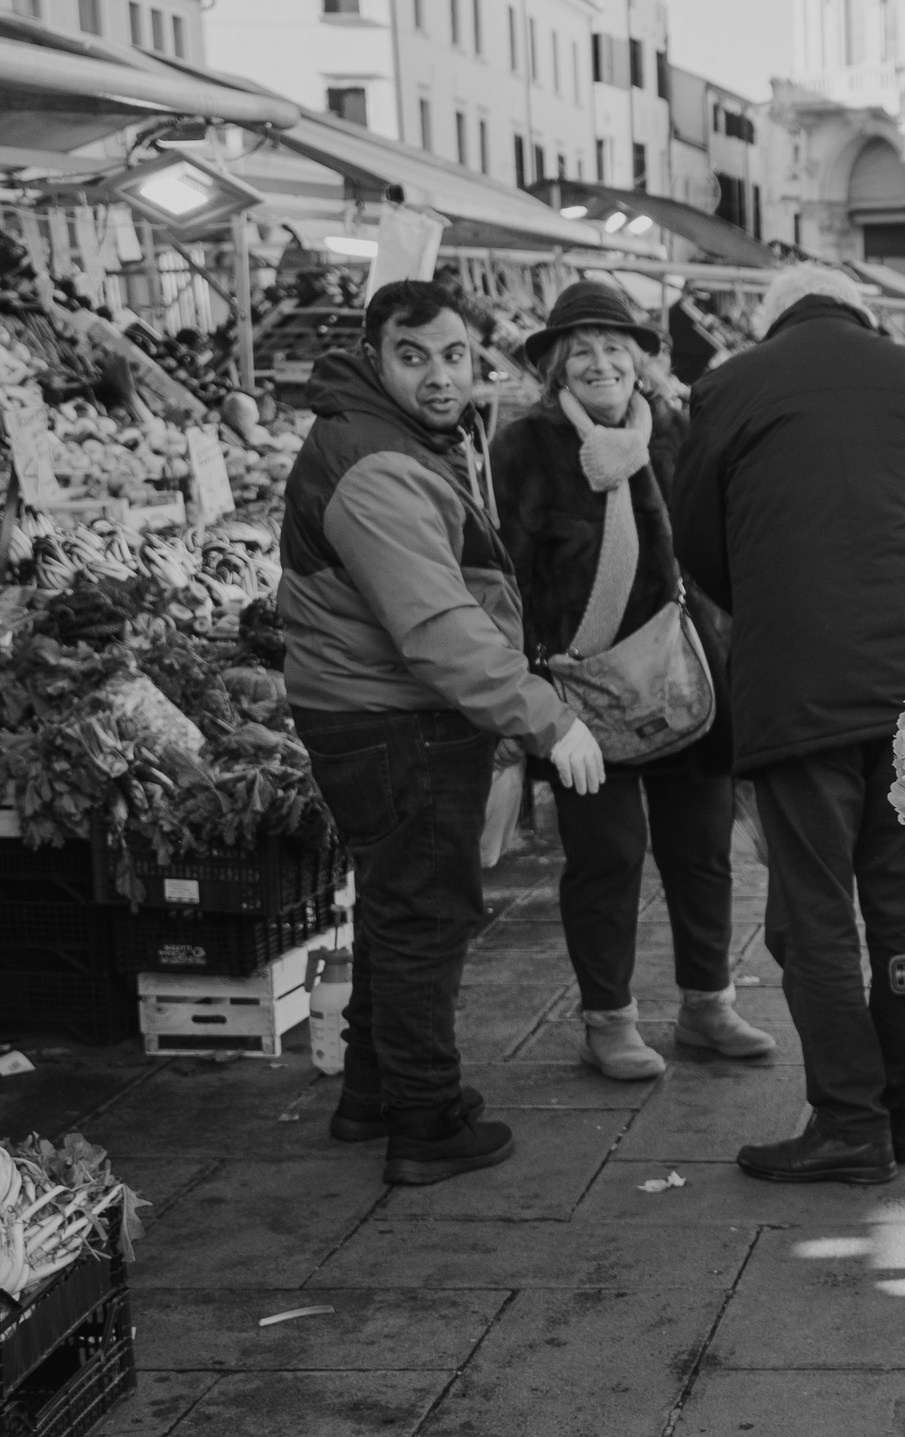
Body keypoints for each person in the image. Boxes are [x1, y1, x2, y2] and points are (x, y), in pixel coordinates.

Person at [671, 262, 905, 1184]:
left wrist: (767, 588)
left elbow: (695, 536)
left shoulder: (729, 385)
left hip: (799, 682)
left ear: (770, 319)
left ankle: (850, 1124)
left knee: (816, 912)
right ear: (863, 316)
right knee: (901, 907)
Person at [279, 277, 607, 1186]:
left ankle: (373, 1092)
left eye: (454, 356)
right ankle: (425, 1123)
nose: (438, 377)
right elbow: (435, 626)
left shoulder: (391, 438)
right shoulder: (374, 462)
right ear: (374, 355)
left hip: (374, 711)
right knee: (426, 914)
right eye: (413, 357)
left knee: (397, 904)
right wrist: (547, 720)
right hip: (394, 718)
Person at [490, 279, 774, 1082]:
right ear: (553, 369)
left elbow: (720, 552)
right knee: (607, 857)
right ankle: (608, 1021)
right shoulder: (524, 448)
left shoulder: (678, 434)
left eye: (614, 346)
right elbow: (506, 579)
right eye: (578, 349)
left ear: (641, 362)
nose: (598, 361)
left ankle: (708, 1006)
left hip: (688, 680)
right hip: (588, 694)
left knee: (701, 853)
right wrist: (526, 690)